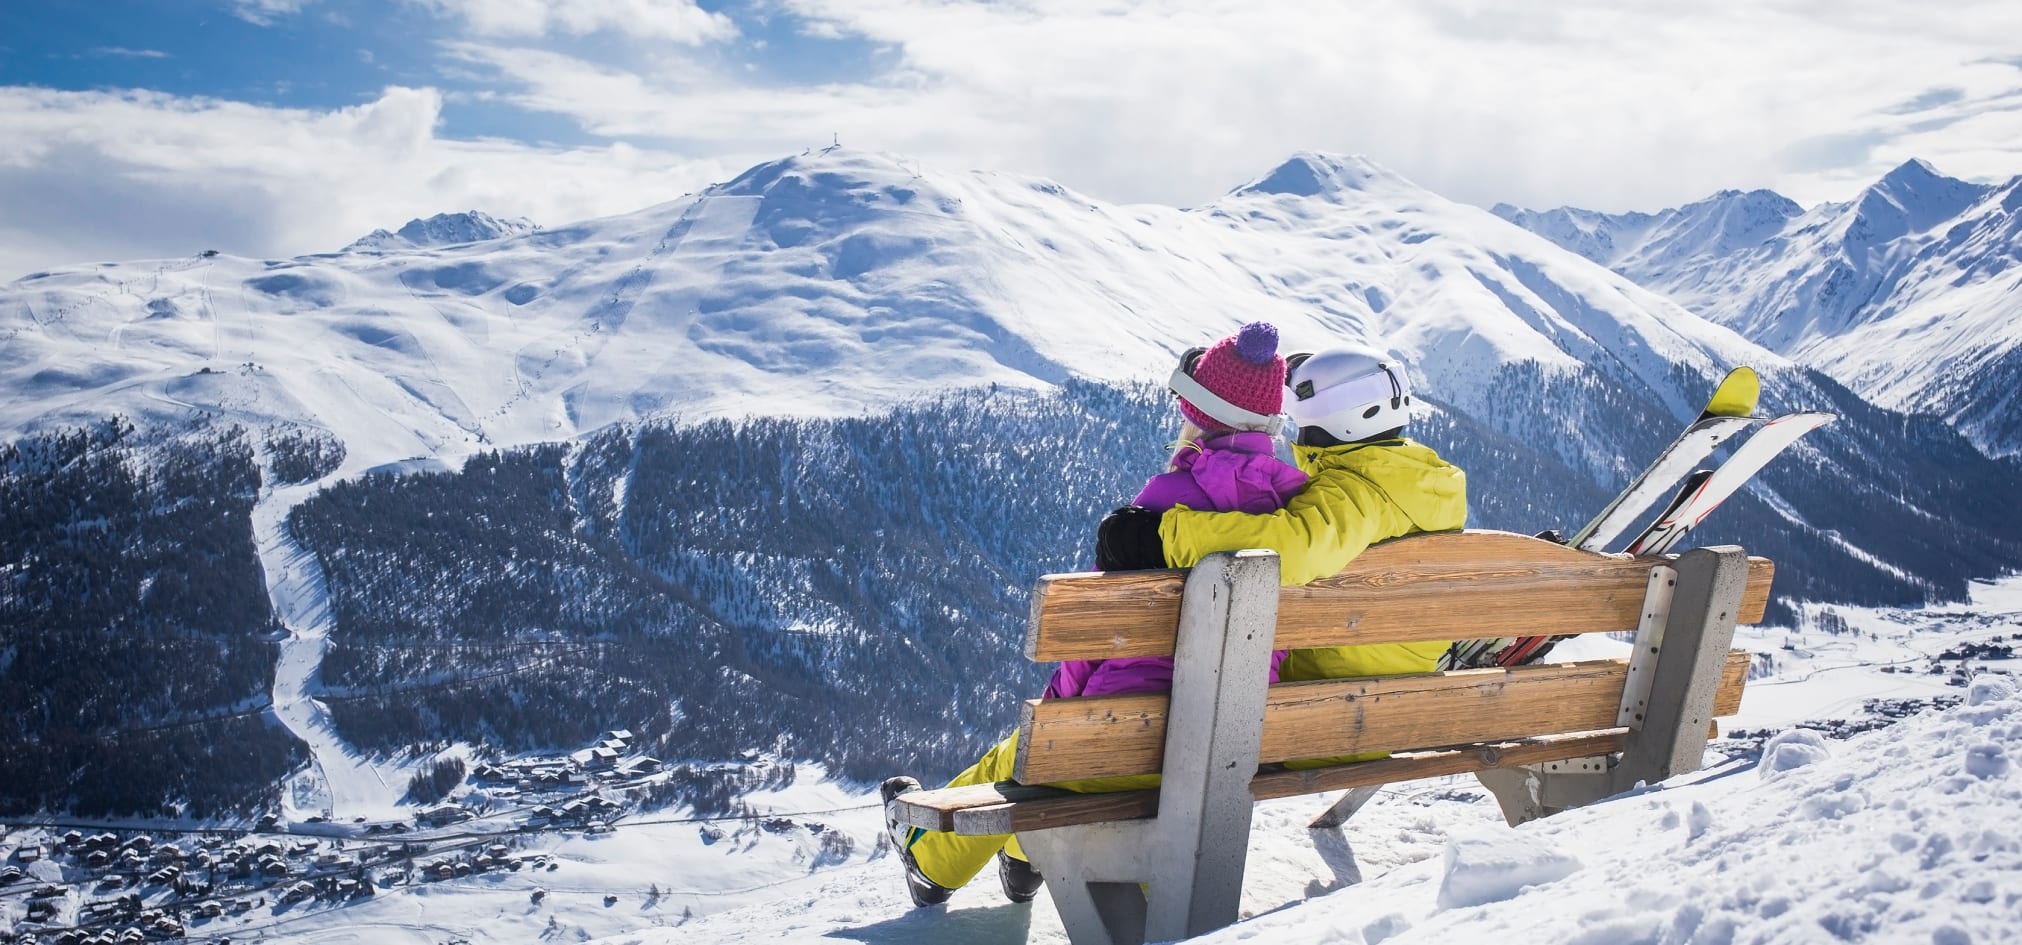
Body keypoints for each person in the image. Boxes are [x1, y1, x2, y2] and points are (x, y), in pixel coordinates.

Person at [881, 338, 1467, 908]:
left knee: (1030, 757)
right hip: (1381, 718)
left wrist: (1161, 535)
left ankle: (930, 861)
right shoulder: (1431, 487)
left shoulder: (1348, 496)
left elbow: (1293, 546)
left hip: (1298, 730)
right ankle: (1024, 856)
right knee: (1074, 749)